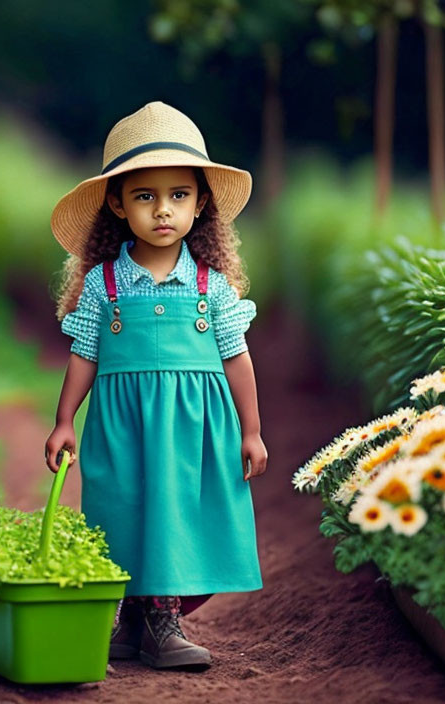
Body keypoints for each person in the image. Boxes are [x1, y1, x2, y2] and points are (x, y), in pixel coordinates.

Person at [45, 102, 265, 670]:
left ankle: (163, 620)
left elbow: (236, 358)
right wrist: (66, 419)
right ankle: (133, 619)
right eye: (145, 196)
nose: (162, 210)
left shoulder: (211, 287)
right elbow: (84, 355)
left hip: (191, 426)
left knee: (176, 513)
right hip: (122, 424)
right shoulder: (103, 283)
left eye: (178, 195)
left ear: (200, 203)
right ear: (117, 203)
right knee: (122, 510)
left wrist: (252, 431)